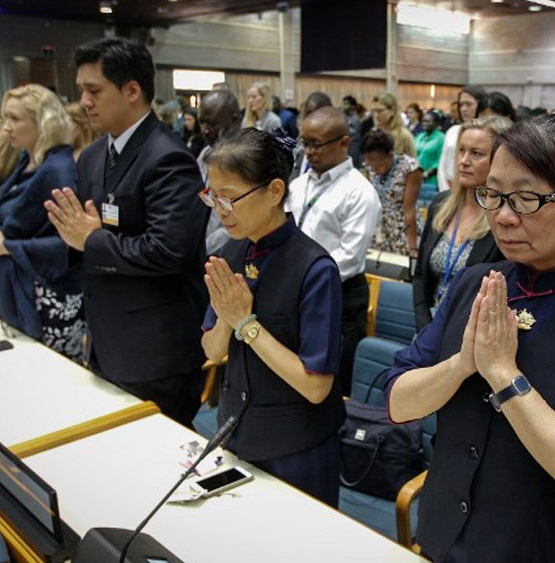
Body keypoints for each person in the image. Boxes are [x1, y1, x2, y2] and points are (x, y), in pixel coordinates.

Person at [386, 114, 555, 562]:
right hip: (445, 532)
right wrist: (462, 365)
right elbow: (397, 401)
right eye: (493, 194)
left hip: (536, 545)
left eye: (529, 198)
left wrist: (502, 373)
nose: (505, 217)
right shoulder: (475, 283)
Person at [45, 37, 209, 426]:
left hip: (157, 351)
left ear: (132, 90)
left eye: (94, 90)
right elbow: (85, 235)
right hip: (106, 336)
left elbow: (171, 250)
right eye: (81, 90)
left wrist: (92, 239)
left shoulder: (168, 158)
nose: (84, 101)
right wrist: (80, 239)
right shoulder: (92, 156)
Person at [200, 128, 344, 507]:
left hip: (297, 449)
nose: (220, 210)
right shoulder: (231, 253)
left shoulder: (314, 269)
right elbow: (212, 351)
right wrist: (226, 320)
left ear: (275, 191)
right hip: (237, 432)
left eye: (229, 198)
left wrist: (246, 325)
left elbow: (316, 387)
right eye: (213, 197)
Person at [0, 84, 85, 362]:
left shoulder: (58, 170)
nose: (6, 127)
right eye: (5, 118)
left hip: (49, 292)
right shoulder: (28, 161)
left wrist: (7, 246)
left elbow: (70, 244)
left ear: (43, 123)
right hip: (24, 283)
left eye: (15, 118)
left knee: (49, 371)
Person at [288, 106, 380, 393]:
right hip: (297, 291)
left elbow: (349, 259)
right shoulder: (299, 184)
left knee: (331, 381)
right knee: (297, 372)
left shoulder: (359, 192)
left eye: (316, 144)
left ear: (343, 142)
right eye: (304, 143)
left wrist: (302, 283)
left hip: (337, 295)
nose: (309, 152)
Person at [412, 116, 510, 331]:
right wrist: (425, 328)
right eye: (461, 150)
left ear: (500, 160)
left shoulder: (505, 218)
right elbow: (419, 275)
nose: (463, 161)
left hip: (471, 338)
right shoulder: (441, 204)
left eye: (476, 154)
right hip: (427, 330)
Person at [362, 129, 421, 256]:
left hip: (402, 231)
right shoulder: (369, 166)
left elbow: (409, 209)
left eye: (375, 162)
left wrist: (413, 248)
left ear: (390, 155)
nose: (372, 167)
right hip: (378, 229)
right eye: (368, 160)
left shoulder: (410, 168)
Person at [198, 89, 242, 256]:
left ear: (234, 121)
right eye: (201, 123)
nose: (205, 130)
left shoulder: (250, 160)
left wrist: (202, 248)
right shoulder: (205, 155)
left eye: (212, 124)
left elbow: (240, 222)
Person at [438, 85, 487, 192]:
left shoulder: (487, 133)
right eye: (461, 104)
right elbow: (442, 164)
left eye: (469, 104)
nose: (464, 109)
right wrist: (444, 191)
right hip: (449, 187)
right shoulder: (452, 131)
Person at [290, 91, 334, 182]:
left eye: (316, 118)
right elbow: (295, 174)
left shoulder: (334, 151)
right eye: (307, 117)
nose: (311, 123)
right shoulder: (300, 144)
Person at [372, 92, 416, 157]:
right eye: (374, 111)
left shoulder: (404, 135)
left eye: (380, 111)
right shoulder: (374, 132)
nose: (376, 115)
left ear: (392, 111)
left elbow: (413, 162)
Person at [415, 109, 446, 201]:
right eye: (423, 121)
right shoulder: (420, 137)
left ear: (436, 123)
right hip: (417, 180)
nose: (425, 123)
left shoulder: (442, 138)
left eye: (428, 121)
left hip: (431, 182)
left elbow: (440, 161)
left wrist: (425, 174)